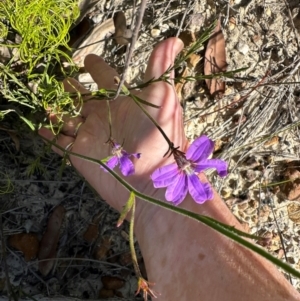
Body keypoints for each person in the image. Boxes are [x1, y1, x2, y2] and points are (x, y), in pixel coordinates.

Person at [39, 37, 300, 300]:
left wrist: (154, 192)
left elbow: (175, 185)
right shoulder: (173, 171)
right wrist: (154, 199)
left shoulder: (177, 174)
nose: (185, 164)